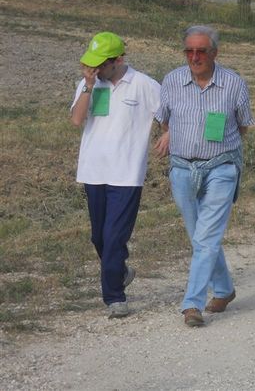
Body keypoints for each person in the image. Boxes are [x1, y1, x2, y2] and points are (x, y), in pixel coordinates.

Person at [155, 25, 255, 327]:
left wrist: (217, 147)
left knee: (206, 237)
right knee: (199, 236)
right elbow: (164, 119)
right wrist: (173, 135)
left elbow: (244, 125)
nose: (195, 56)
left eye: (201, 51)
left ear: (214, 52)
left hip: (221, 166)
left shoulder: (233, 83)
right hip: (182, 167)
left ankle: (192, 304)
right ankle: (224, 290)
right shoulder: (172, 80)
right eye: (189, 51)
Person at [70, 32, 161, 319]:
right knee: (99, 236)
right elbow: (76, 120)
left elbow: (167, 113)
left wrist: (168, 134)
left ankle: (114, 297)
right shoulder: (89, 85)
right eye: (91, 64)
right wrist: (87, 86)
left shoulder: (144, 84)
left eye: (102, 64)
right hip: (93, 171)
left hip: (126, 174)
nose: (96, 70)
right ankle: (120, 271)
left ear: (119, 59)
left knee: (113, 237)